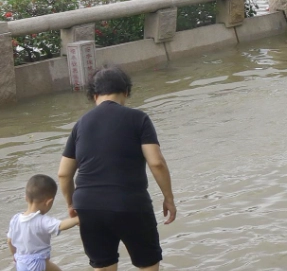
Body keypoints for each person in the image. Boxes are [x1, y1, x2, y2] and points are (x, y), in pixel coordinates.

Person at [57, 67, 175, 271]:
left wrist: (71, 203)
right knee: (147, 264)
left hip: (88, 205)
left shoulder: (81, 124)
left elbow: (64, 173)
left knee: (103, 266)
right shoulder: (138, 119)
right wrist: (169, 198)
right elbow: (156, 162)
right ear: (126, 92)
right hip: (130, 203)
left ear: (94, 95)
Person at [7, 175, 79, 271]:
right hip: (38, 262)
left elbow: (9, 241)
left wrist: (15, 256)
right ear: (49, 202)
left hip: (20, 261)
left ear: (26, 198)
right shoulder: (42, 220)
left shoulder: (15, 219)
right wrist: (78, 219)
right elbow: (61, 225)